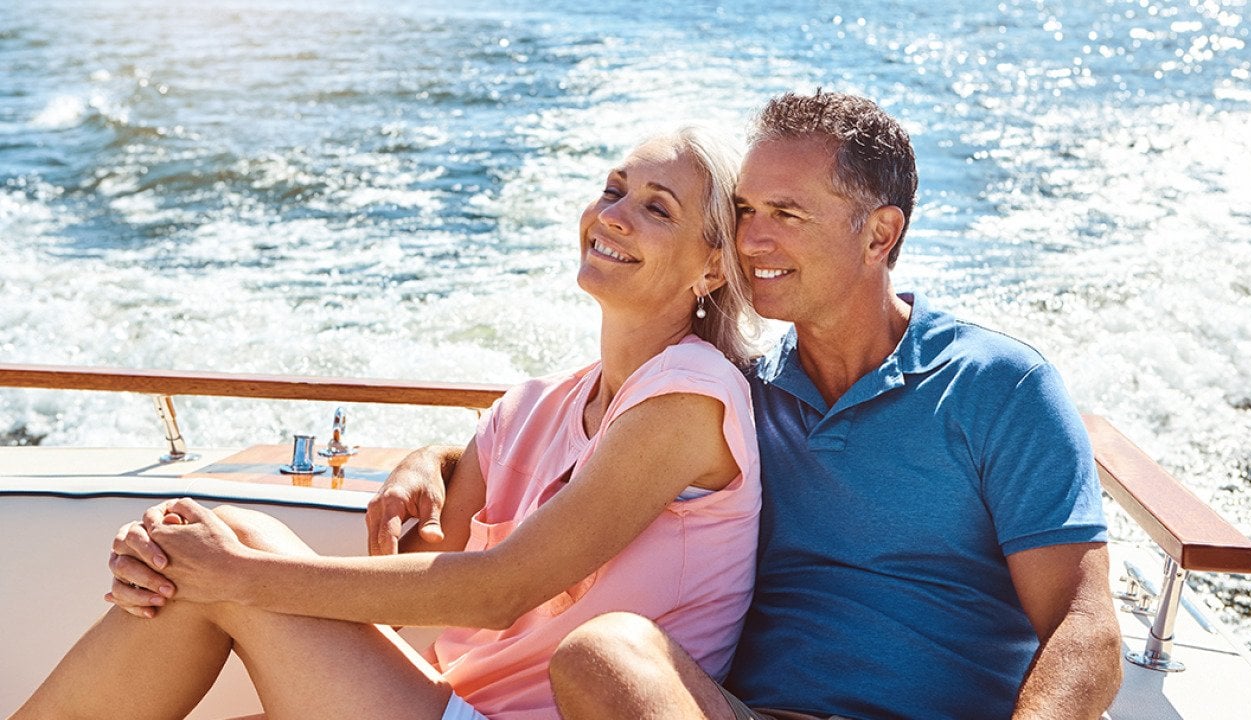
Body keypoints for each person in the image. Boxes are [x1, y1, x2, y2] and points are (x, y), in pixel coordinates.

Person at [384, 92, 1125, 720]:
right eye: (744, 209)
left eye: (787, 213)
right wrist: (442, 458)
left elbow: (1085, 628)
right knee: (604, 656)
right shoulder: (734, 391)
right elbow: (589, 433)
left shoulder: (1000, 387)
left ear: (880, 233)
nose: (752, 238)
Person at [12, 127, 762, 720]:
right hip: (450, 698)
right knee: (193, 551)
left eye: (657, 208)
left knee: (229, 550)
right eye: (613, 189)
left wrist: (233, 573)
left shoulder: (690, 395)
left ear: (713, 269)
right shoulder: (536, 406)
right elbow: (429, 556)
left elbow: (499, 589)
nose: (612, 215)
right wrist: (427, 463)